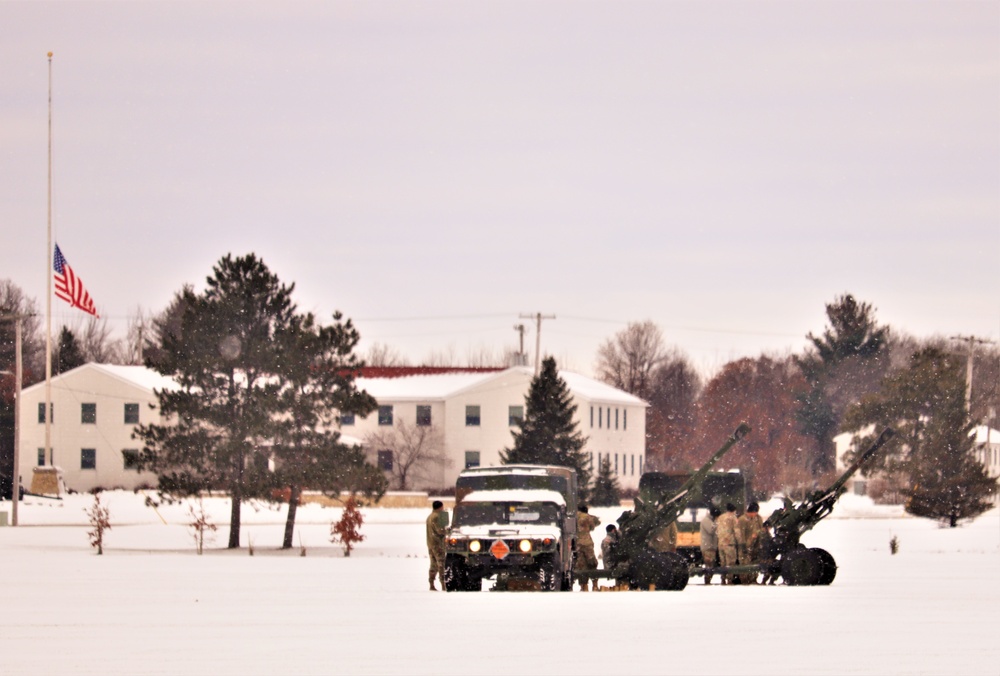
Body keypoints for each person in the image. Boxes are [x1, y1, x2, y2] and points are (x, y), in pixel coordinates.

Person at [736, 501, 765, 584]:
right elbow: (740, 534)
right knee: (745, 564)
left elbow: (760, 529)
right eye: (754, 512)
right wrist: (743, 546)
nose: (755, 514)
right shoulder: (742, 519)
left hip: (755, 546)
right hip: (745, 545)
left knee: (755, 563)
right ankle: (745, 581)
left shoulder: (758, 518)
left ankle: (753, 579)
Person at [575, 503, 601, 591]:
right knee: (592, 563)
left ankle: (583, 586)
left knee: (581, 565)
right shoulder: (587, 517)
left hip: (576, 544)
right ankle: (595, 585)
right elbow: (595, 524)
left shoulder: (572, 517)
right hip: (587, 543)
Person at [426, 500, 447, 591]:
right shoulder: (437, 517)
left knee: (433, 564)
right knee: (441, 564)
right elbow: (440, 531)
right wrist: (448, 530)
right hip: (437, 544)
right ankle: (443, 585)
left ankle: (431, 584)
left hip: (430, 544)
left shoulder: (429, 517)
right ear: (440, 507)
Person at [715, 502, 739, 585]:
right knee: (730, 562)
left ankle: (723, 579)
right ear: (734, 510)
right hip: (729, 544)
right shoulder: (733, 518)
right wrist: (740, 542)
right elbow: (736, 531)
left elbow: (717, 530)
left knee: (723, 562)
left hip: (720, 543)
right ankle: (729, 579)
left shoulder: (720, 517)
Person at [699, 505, 721, 584]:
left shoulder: (712, 520)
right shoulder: (706, 521)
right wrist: (717, 522)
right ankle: (707, 581)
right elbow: (711, 530)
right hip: (707, 547)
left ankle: (708, 580)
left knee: (711, 565)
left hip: (712, 547)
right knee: (709, 565)